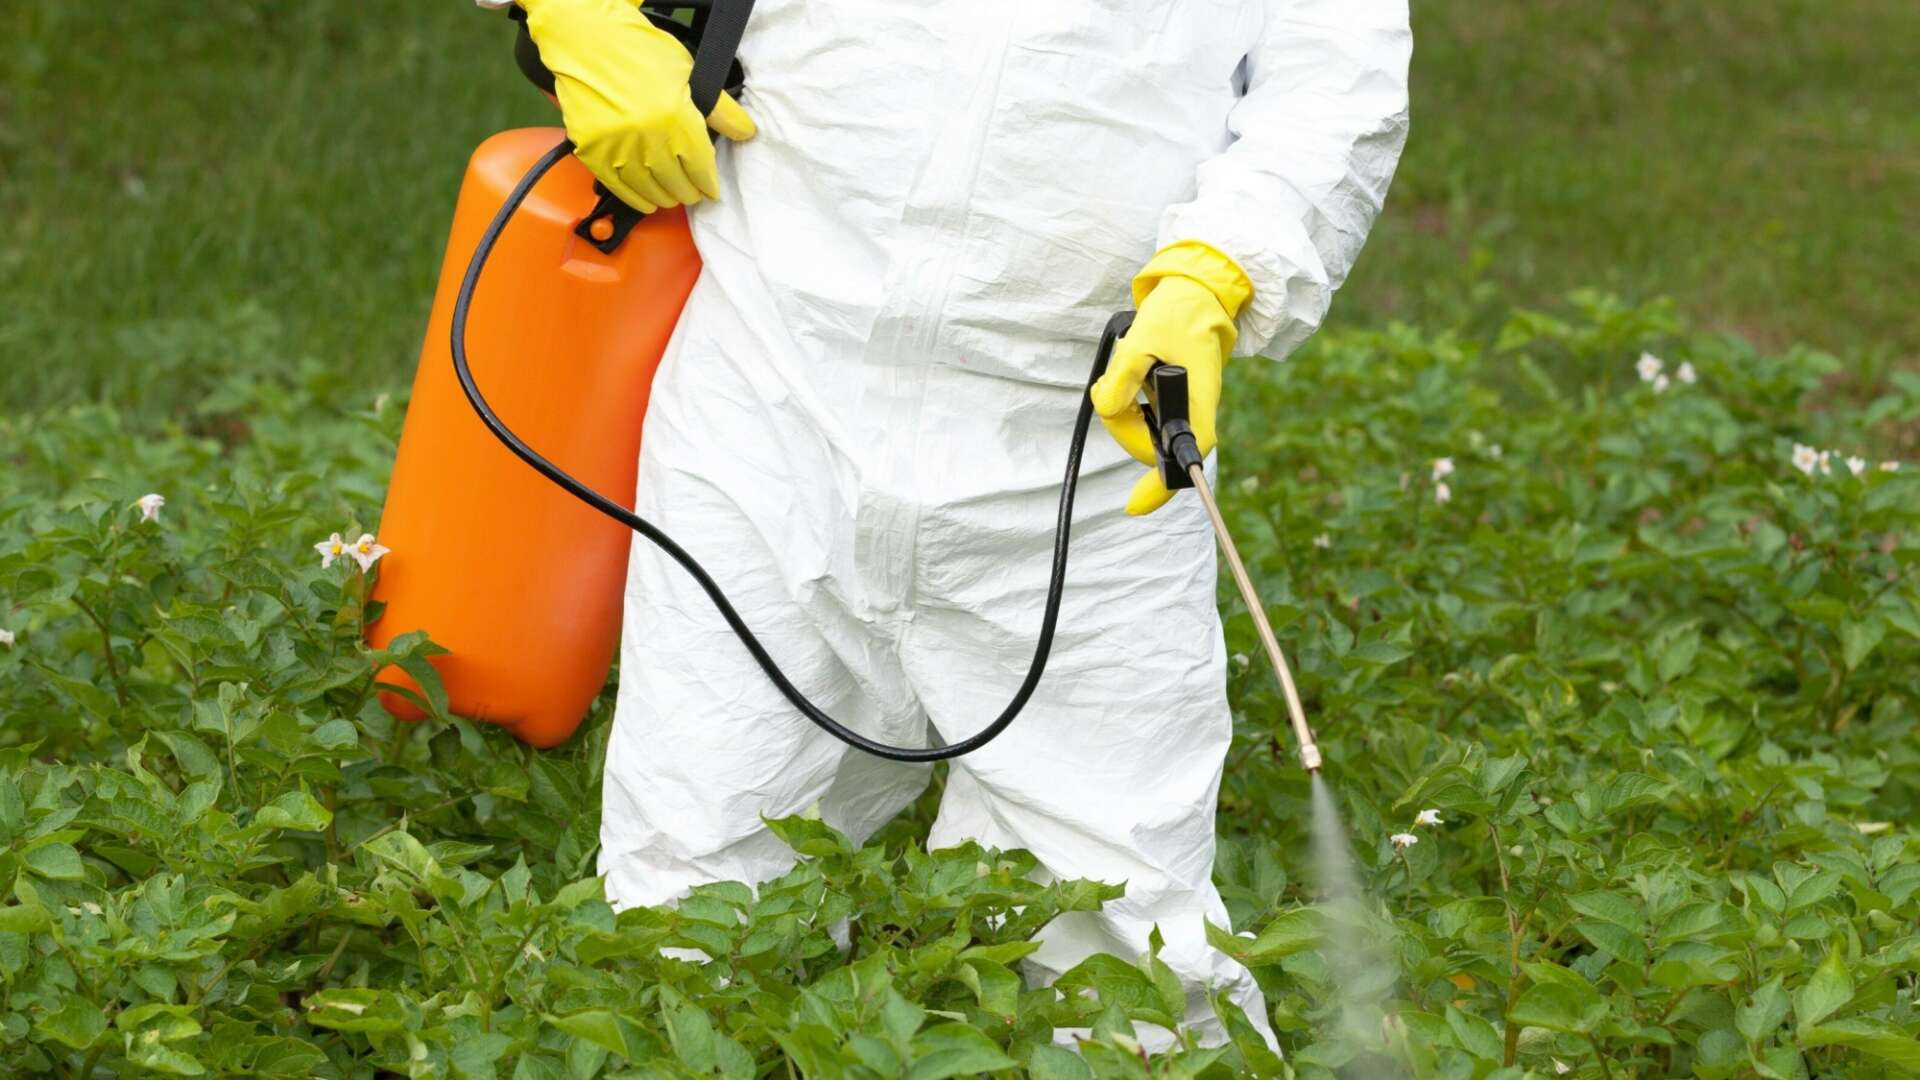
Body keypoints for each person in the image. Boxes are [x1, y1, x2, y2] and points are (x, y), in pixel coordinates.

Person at [482, 0, 1409, 1046]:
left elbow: (1337, 75)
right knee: (691, 910)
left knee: (1119, 964)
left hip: (1080, 454)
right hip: (769, 396)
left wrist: (1223, 264)